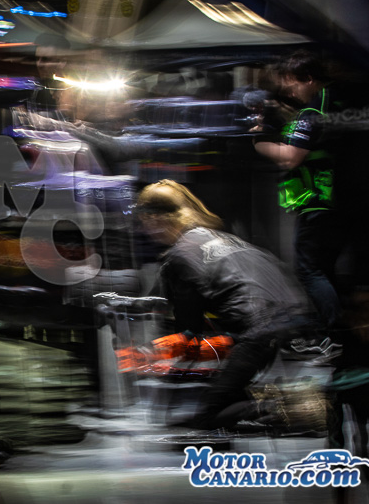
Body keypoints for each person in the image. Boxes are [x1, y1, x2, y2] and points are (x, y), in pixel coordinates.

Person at [135, 180, 316, 430]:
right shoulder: (226, 239)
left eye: (143, 220)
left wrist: (163, 368)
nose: (143, 229)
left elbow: (189, 331)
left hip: (259, 330)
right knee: (227, 393)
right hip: (294, 317)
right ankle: (273, 406)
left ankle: (289, 408)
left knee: (208, 417)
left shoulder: (177, 257)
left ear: (155, 218)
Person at [252, 50, 348, 333]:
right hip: (339, 199)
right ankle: (337, 328)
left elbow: (290, 157)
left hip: (317, 200)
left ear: (307, 79)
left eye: (291, 84)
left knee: (309, 270)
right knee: (325, 268)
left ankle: (333, 331)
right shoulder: (336, 102)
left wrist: (258, 141)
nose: (289, 91)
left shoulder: (312, 112)